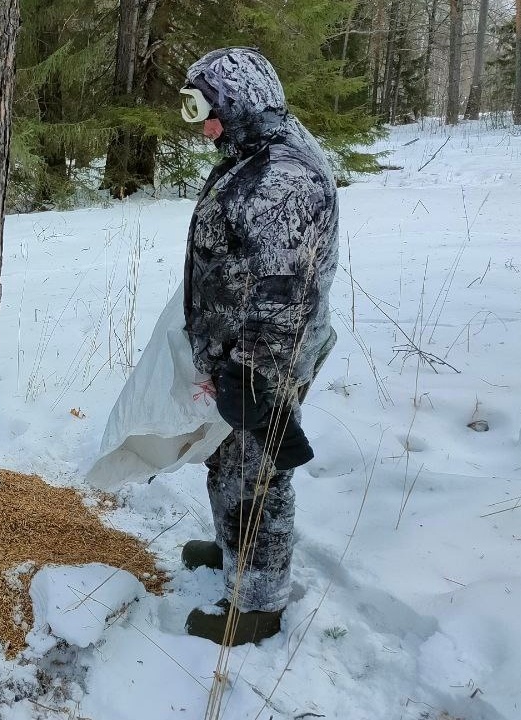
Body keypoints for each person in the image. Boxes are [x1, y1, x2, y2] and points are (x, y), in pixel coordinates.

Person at [176, 48, 339, 645]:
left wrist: (250, 376)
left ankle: (259, 605)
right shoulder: (254, 147)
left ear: (240, 103)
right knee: (228, 456)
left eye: (204, 109)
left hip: (263, 359)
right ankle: (230, 551)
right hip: (236, 351)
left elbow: (279, 295)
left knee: (257, 476)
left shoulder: (280, 180)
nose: (200, 125)